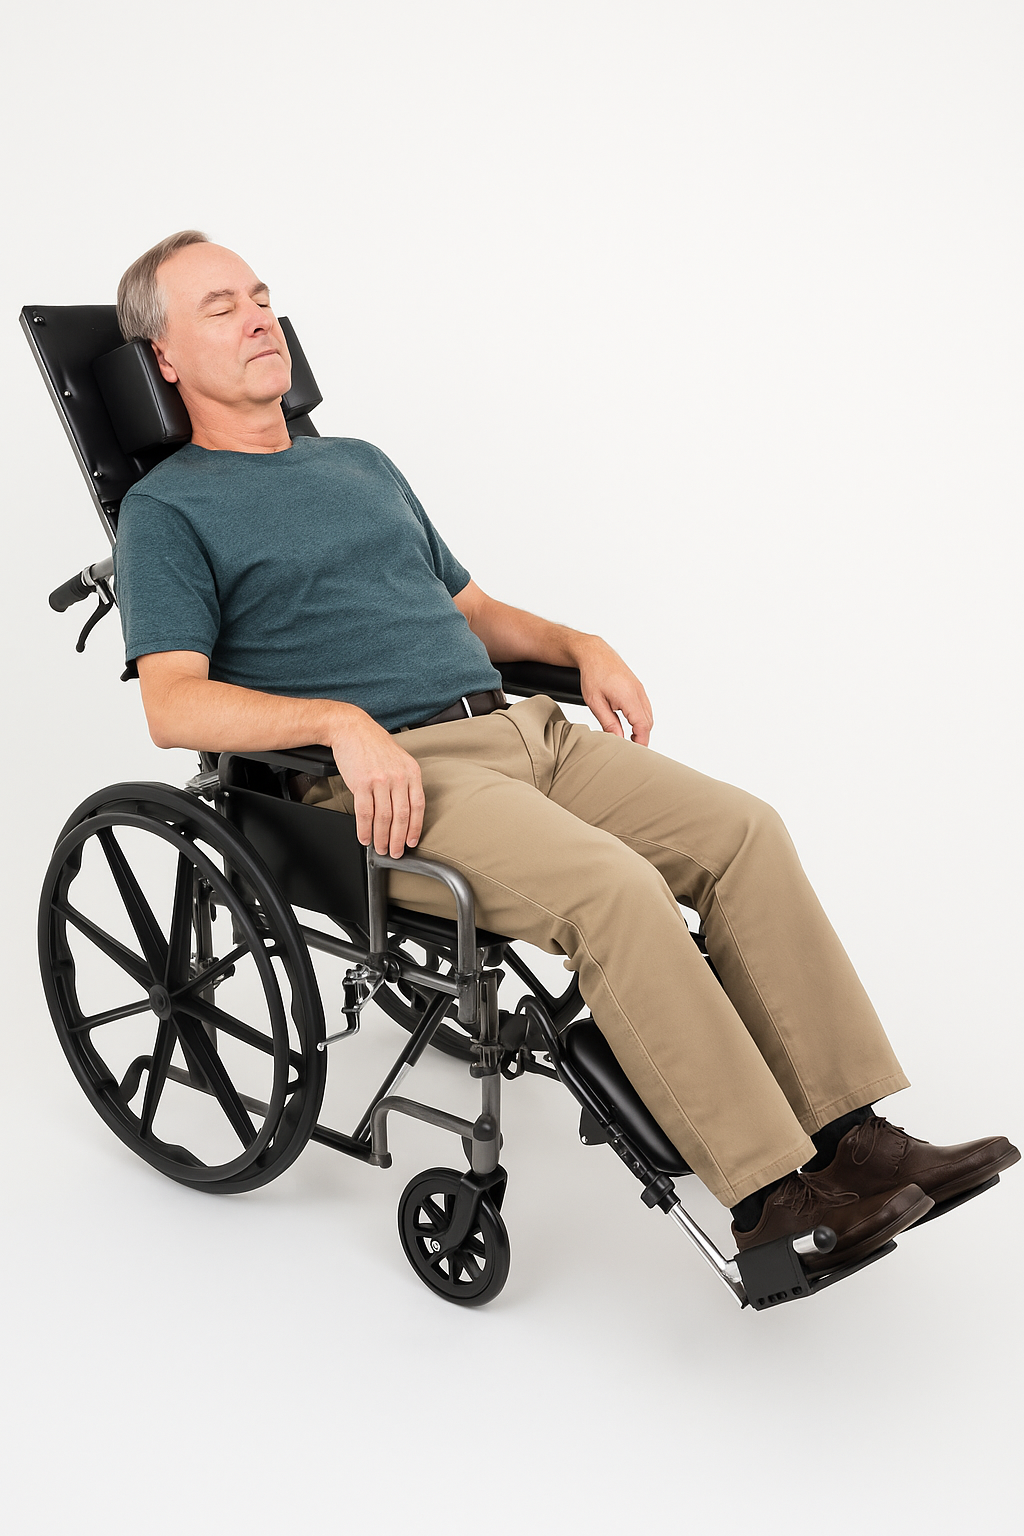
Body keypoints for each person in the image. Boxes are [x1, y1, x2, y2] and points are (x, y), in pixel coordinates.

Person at [112, 229, 1018, 1269]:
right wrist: (336, 723)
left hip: (522, 730)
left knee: (743, 833)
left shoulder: (359, 464)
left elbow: (476, 610)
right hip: (396, 780)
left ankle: (851, 1136)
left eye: (262, 294)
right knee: (614, 891)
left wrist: (576, 645)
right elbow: (174, 706)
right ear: (164, 359)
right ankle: (770, 1197)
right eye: (220, 305)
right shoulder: (168, 509)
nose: (260, 314)